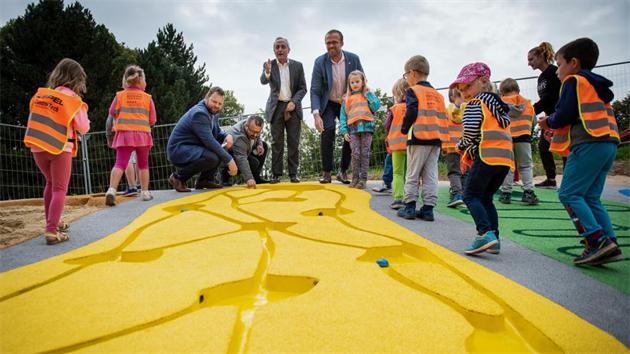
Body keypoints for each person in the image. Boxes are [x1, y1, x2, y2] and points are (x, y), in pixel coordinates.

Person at [539, 38, 623, 266]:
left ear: (573, 63)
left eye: (560, 64)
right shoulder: (595, 86)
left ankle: (597, 241)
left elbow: (564, 113)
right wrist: (556, 130)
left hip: (588, 144)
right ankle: (610, 242)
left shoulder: (573, 81)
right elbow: (579, 116)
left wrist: (549, 122)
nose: (557, 72)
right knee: (591, 197)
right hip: (607, 144)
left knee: (569, 194)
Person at [23, 58, 90, 245]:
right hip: (60, 147)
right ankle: (51, 232)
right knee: (60, 188)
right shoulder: (72, 100)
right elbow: (83, 127)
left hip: (37, 146)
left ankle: (52, 222)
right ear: (76, 80)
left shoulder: (41, 96)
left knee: (50, 184)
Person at [452, 62, 514, 255]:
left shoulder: (475, 104)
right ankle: (495, 238)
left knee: (470, 195)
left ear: (484, 82)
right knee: (486, 198)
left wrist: (460, 145)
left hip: (486, 156)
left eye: (468, 86)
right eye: (461, 90)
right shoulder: (498, 106)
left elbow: (470, 132)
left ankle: (484, 233)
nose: (464, 93)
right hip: (504, 160)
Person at [397, 55, 449, 221]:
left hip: (419, 138)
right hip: (436, 140)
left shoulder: (413, 91)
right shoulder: (438, 95)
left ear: (412, 73)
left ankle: (410, 206)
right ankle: (428, 209)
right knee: (431, 175)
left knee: (412, 174)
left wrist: (404, 128)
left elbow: (411, 111)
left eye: (405, 76)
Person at [310, 29, 364, 184]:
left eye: (334, 42)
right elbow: (315, 89)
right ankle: (326, 173)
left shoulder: (353, 59)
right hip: (328, 103)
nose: (331, 45)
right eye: (328, 42)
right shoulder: (320, 62)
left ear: (342, 43)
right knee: (328, 130)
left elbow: (362, 79)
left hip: (348, 103)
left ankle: (343, 171)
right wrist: (316, 115)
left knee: (350, 132)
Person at [167, 86, 237, 192]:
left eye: (220, 104)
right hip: (178, 150)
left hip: (191, 147)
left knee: (218, 147)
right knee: (213, 156)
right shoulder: (200, 113)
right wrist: (229, 160)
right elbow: (209, 141)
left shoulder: (213, 113)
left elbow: (217, 132)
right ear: (206, 97)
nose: (216, 106)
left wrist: (227, 136)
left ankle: (203, 180)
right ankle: (178, 177)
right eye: (214, 101)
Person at [104, 65, 156, 205]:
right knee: (143, 164)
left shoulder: (119, 96)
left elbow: (112, 115)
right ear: (140, 80)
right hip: (143, 135)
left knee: (120, 162)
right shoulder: (147, 98)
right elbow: (152, 120)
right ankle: (145, 192)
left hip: (124, 134)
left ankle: (111, 190)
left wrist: (110, 136)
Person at [261, 37, 307, 184]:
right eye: (277, 47)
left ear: (288, 50)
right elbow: (263, 80)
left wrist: (294, 101)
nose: (280, 49)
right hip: (276, 107)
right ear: (274, 50)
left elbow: (302, 88)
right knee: (276, 142)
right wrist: (267, 72)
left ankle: (294, 174)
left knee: (293, 141)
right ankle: (276, 175)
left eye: (283, 47)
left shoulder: (298, 66)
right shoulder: (269, 65)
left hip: (293, 106)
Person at [497, 78, 540, 205]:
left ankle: (506, 193)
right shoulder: (528, 104)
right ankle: (528, 191)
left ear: (502, 93)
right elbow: (534, 122)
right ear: (518, 90)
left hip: (506, 138)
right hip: (523, 138)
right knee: (526, 165)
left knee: (508, 166)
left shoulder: (500, 103)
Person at [528, 42, 562, 189]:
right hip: (548, 116)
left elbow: (551, 96)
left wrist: (531, 110)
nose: (529, 63)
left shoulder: (553, 72)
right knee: (543, 146)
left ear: (541, 57)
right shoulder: (541, 78)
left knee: (563, 146)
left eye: (531, 59)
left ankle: (568, 179)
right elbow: (544, 99)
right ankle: (551, 178)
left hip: (559, 115)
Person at [339, 70, 381, 189]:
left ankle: (363, 179)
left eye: (357, 81)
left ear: (363, 82)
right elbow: (343, 116)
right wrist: (344, 131)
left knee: (364, 153)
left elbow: (376, 106)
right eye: (352, 82)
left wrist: (369, 95)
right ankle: (355, 178)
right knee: (355, 153)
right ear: (349, 84)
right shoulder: (347, 99)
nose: (355, 84)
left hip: (367, 128)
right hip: (353, 130)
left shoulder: (367, 95)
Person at [221, 115, 269, 189]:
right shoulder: (239, 136)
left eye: (258, 132)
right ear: (247, 127)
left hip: (244, 150)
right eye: (253, 132)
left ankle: (256, 177)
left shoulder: (251, 126)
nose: (256, 135)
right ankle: (223, 176)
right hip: (229, 156)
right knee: (253, 163)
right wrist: (249, 178)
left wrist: (259, 144)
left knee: (264, 145)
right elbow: (241, 158)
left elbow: (257, 136)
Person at [385, 78, 410, 209]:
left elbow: (386, 125)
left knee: (398, 173)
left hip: (396, 146)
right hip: (410, 146)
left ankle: (398, 199)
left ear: (399, 93)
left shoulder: (394, 109)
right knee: (407, 173)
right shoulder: (413, 107)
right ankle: (408, 198)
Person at [444, 89, 468, 208]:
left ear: (452, 96)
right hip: (467, 146)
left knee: (454, 171)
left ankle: (456, 193)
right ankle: (464, 193)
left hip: (452, 146)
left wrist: (443, 146)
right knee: (466, 171)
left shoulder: (447, 111)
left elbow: (444, 127)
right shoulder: (469, 108)